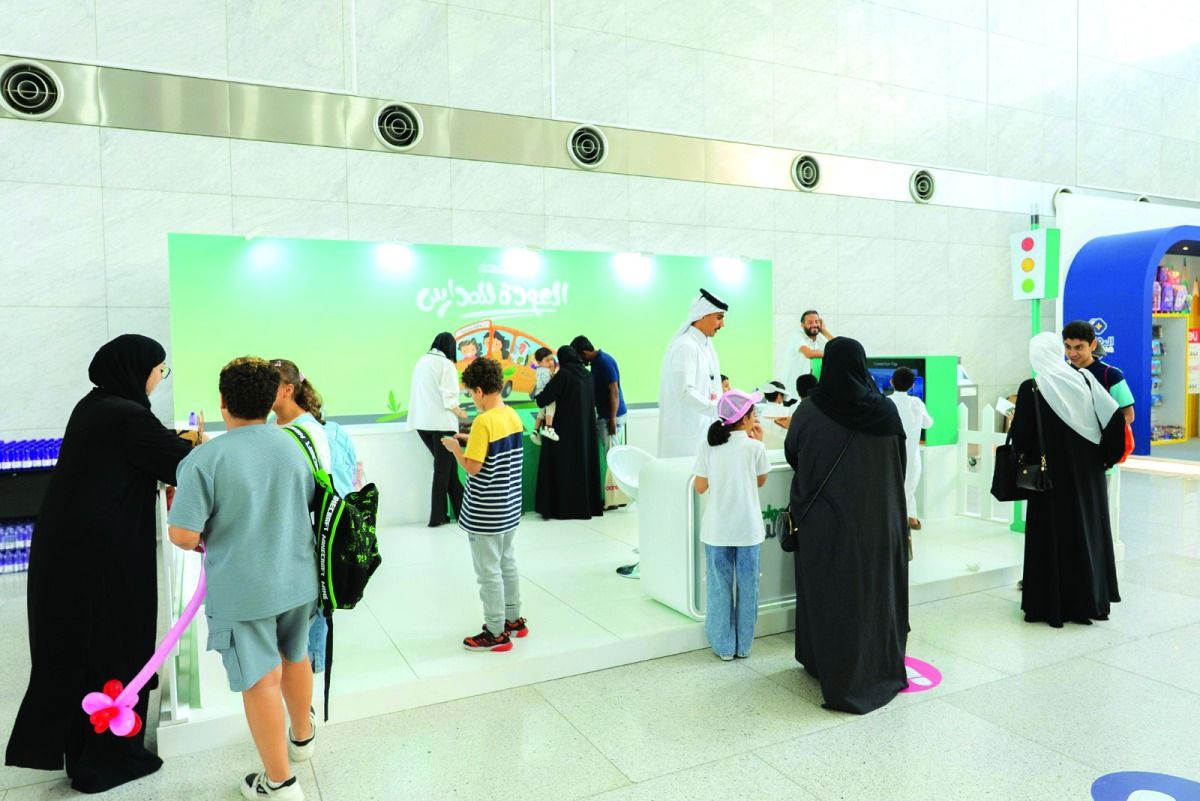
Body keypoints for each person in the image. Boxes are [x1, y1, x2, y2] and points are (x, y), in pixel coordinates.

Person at [5, 335, 195, 794]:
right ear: (137, 369)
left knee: (84, 649)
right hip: (102, 559)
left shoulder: (97, 405)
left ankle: (85, 751)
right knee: (114, 644)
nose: (159, 378)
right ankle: (107, 759)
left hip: (74, 551)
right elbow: (181, 464)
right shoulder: (125, 415)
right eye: (159, 370)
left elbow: (149, 449)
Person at [167, 357, 317, 801]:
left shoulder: (205, 459)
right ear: (272, 399)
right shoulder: (294, 444)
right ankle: (303, 738)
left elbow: (183, 535)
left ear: (222, 401)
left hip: (245, 588)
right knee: (296, 656)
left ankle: (280, 783)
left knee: (260, 680)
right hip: (298, 577)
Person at [784, 337, 909, 715]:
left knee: (828, 594)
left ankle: (822, 663)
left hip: (826, 523)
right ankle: (878, 667)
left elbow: (793, 455)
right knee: (875, 595)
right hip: (879, 523)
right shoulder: (885, 410)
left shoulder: (809, 410)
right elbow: (899, 464)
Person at [1010, 332, 1127, 628]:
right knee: (1086, 531)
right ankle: (1088, 601)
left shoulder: (1032, 388)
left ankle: (1048, 604)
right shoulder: (1085, 380)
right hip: (1088, 475)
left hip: (1049, 480)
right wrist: (1105, 459)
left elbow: (1021, 437)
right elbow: (1115, 419)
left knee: (1051, 536)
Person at [269, 359, 356, 677]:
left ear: (288, 389)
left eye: (270, 385)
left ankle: (309, 675)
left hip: (311, 535)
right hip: (285, 536)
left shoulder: (314, 432)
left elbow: (331, 489)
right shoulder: (272, 426)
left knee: (312, 610)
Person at [440, 358, 528, 652]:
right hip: (509, 507)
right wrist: (471, 439)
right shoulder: (511, 415)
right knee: (507, 563)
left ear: (479, 390)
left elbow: (473, 468)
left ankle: (495, 632)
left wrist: (456, 448)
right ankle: (514, 620)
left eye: (470, 393)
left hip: (486, 512)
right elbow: (496, 449)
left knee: (488, 573)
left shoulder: (483, 422)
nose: (471, 399)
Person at [695, 390, 770, 661]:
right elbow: (760, 481)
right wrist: (760, 442)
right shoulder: (755, 448)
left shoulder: (708, 446)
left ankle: (724, 647)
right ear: (745, 419)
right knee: (749, 589)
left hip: (717, 530)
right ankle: (744, 646)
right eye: (753, 413)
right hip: (748, 530)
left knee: (719, 588)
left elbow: (700, 486)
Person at [533, 346, 604, 520]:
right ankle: (586, 506)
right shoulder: (587, 375)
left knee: (561, 468)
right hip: (585, 433)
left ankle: (560, 508)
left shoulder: (564, 375)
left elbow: (543, 399)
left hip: (562, 433)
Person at [406, 333, 469, 527]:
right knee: (443, 471)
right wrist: (460, 413)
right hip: (442, 425)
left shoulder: (421, 362)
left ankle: (462, 513)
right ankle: (437, 517)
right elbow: (450, 397)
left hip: (421, 424)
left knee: (449, 471)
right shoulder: (446, 364)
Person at [658, 289, 728, 458]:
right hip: (686, 437)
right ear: (702, 316)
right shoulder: (686, 346)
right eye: (719, 317)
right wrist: (721, 410)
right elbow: (685, 392)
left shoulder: (705, 345)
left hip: (703, 430)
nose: (723, 324)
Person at [570, 335, 629, 509]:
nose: (581, 362)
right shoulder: (597, 362)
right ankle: (616, 497)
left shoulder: (603, 362)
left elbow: (614, 391)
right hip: (606, 415)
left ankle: (616, 498)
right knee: (611, 455)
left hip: (611, 416)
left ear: (584, 353)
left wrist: (611, 419)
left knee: (612, 457)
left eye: (580, 358)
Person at [1062, 320, 1135, 424]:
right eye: (1068, 347)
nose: (1072, 353)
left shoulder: (1111, 375)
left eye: (1079, 347)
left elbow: (1128, 415)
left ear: (1093, 345)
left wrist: (1105, 432)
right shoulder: (1061, 373)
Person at [888, 367, 934, 532]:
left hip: (890, 456)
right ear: (912, 385)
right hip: (912, 458)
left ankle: (906, 520)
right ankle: (909, 520)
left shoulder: (886, 402)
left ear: (891, 382)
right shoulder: (916, 403)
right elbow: (928, 423)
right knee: (908, 489)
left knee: (898, 491)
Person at [785, 310, 833, 392]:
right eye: (810, 322)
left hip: (813, 387)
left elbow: (838, 347)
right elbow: (809, 354)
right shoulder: (797, 336)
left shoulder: (820, 338)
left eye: (817, 322)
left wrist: (824, 331)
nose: (814, 325)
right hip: (795, 390)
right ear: (802, 325)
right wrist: (831, 353)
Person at [529, 347, 560, 445]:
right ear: (539, 362)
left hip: (539, 395)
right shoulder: (545, 371)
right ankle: (549, 428)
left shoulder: (539, 369)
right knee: (551, 406)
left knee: (542, 412)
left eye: (551, 359)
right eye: (547, 360)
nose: (551, 362)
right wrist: (554, 376)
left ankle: (535, 430)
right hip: (544, 393)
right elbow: (548, 384)